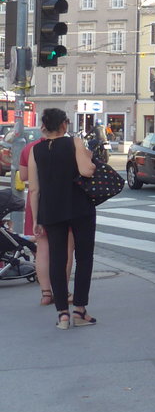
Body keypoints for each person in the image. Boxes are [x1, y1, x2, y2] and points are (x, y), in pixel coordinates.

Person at [28, 108, 97, 330]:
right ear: (65, 125)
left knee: (57, 261)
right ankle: (79, 310)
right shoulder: (74, 142)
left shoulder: (35, 150)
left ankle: (62, 315)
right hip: (80, 208)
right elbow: (87, 171)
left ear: (44, 126)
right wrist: (91, 160)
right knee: (84, 258)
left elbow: (34, 189)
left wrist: (37, 219)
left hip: (51, 210)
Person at [20, 127, 74, 305]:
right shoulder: (68, 146)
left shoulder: (30, 148)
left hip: (37, 202)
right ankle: (63, 293)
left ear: (43, 129)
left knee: (42, 248)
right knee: (66, 248)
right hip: (62, 199)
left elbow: (24, 176)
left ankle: (46, 294)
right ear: (62, 127)